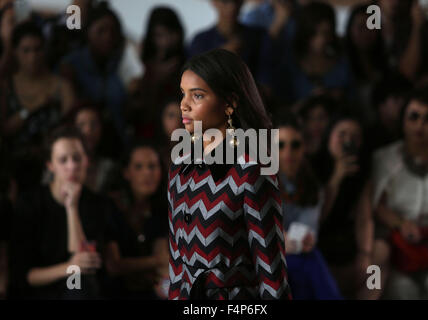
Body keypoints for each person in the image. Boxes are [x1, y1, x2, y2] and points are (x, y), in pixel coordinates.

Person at [168, 49, 291, 299]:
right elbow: (176, 265)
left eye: (198, 95)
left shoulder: (252, 168)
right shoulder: (179, 166)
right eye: (183, 93)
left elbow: (271, 270)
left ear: (230, 103)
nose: (184, 105)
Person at [9, 126, 117, 299]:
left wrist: (72, 208)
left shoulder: (97, 204)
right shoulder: (30, 203)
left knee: (78, 283)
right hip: (41, 289)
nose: (72, 166)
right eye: (63, 160)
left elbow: (82, 263)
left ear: (86, 161)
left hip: (78, 288)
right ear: (50, 165)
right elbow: (24, 275)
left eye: (77, 158)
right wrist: (67, 267)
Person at [372, 86, 428, 299]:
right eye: (413, 117)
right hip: (397, 249)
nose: (420, 125)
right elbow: (374, 205)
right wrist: (400, 223)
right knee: (400, 289)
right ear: (403, 122)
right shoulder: (383, 159)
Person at [276, 116, 342, 300]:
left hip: (297, 254)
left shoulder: (312, 188)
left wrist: (295, 241)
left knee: (307, 259)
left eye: (295, 145)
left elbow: (306, 233)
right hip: (267, 256)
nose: (288, 152)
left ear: (304, 148)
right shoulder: (257, 182)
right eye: (280, 145)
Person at [313, 115, 374, 299]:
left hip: (347, 241)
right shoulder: (313, 166)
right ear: (329, 137)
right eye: (342, 134)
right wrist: (336, 177)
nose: (348, 141)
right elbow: (317, 217)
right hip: (318, 241)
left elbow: (365, 217)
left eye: (355, 136)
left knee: (378, 259)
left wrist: (366, 254)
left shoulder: (363, 171)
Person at [104, 141, 169, 299]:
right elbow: (113, 266)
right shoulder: (111, 207)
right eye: (139, 167)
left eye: (152, 166)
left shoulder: (161, 208)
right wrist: (156, 261)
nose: (147, 173)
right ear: (126, 173)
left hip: (149, 289)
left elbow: (162, 260)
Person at [60, 1, 128, 145]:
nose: (108, 37)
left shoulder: (119, 63)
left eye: (113, 31)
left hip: (115, 142)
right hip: (80, 143)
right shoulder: (71, 65)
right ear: (88, 32)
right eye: (101, 30)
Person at [1, 21, 75, 152]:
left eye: (37, 49)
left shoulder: (62, 86)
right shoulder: (6, 85)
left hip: (54, 157)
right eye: (26, 50)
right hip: (16, 158)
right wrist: (31, 107)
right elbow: (5, 130)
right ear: (15, 52)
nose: (33, 57)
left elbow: (70, 129)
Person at [274, 2, 355, 105]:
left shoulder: (342, 65)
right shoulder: (289, 64)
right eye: (314, 33)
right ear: (305, 33)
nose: (320, 39)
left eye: (325, 33)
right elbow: (280, 107)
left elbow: (353, 104)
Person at [130, 7, 185, 140]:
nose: (166, 41)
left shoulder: (189, 64)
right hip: (149, 135)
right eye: (160, 35)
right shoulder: (143, 66)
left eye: (170, 34)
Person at [188, 0, 272, 82]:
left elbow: (267, 84)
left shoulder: (259, 37)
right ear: (214, 2)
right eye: (225, 1)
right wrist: (219, 57)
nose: (232, 7)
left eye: (236, 1)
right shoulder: (200, 41)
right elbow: (193, 81)